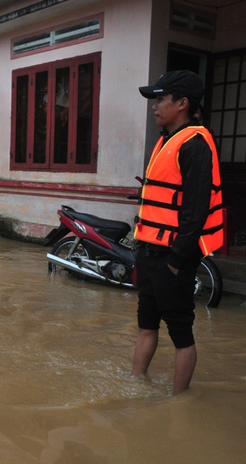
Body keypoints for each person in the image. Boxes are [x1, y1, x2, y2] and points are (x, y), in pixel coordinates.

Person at [132, 70, 223, 394]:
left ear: (182, 103)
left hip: (173, 258)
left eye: (160, 99)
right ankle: (135, 386)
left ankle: (178, 402)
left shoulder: (196, 144)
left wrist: (177, 260)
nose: (155, 106)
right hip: (150, 252)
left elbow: (196, 211)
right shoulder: (165, 141)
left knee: (181, 334)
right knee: (146, 327)